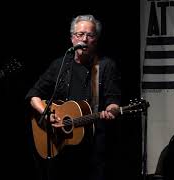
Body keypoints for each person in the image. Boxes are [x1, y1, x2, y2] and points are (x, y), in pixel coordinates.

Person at [25, 14, 121, 180]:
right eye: (80, 34)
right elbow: (34, 94)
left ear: (95, 40)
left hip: (92, 146)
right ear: (72, 39)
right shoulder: (60, 64)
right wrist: (46, 113)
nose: (84, 39)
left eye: (90, 35)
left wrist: (112, 110)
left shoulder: (105, 66)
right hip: (61, 144)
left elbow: (113, 100)